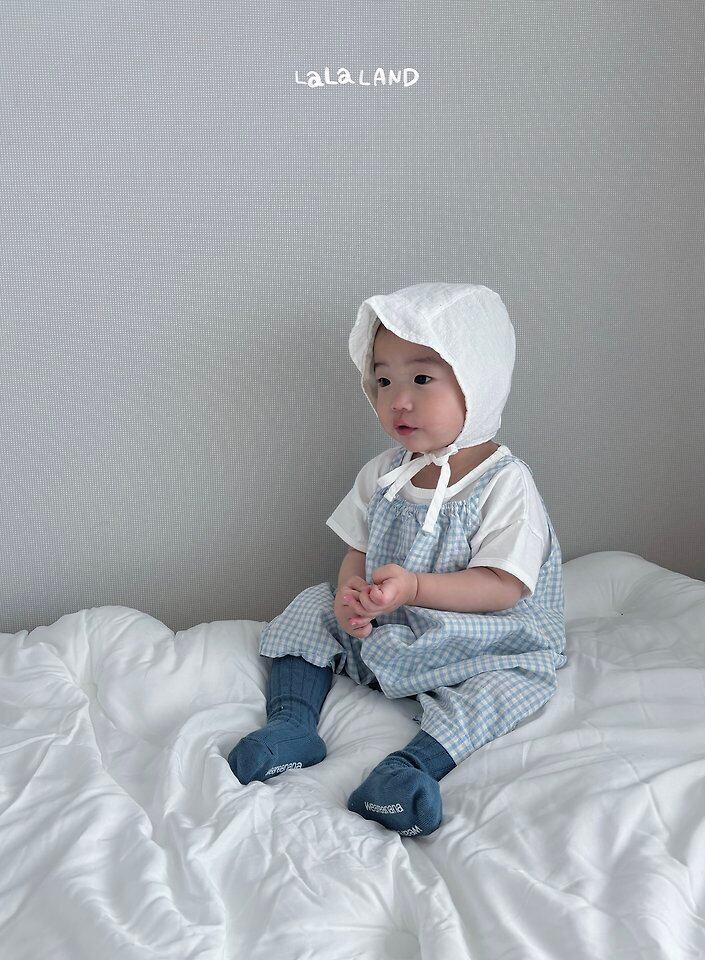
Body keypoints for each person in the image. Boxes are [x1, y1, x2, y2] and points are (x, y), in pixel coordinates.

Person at [228, 281, 567, 838]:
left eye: (421, 380)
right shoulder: (384, 473)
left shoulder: (505, 484)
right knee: (312, 607)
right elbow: (357, 552)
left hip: (480, 640)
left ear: (478, 383)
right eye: (383, 381)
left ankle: (408, 771)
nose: (398, 400)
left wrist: (414, 589)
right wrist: (351, 597)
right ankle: (292, 726)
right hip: (394, 627)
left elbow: (503, 586)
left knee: (514, 684)